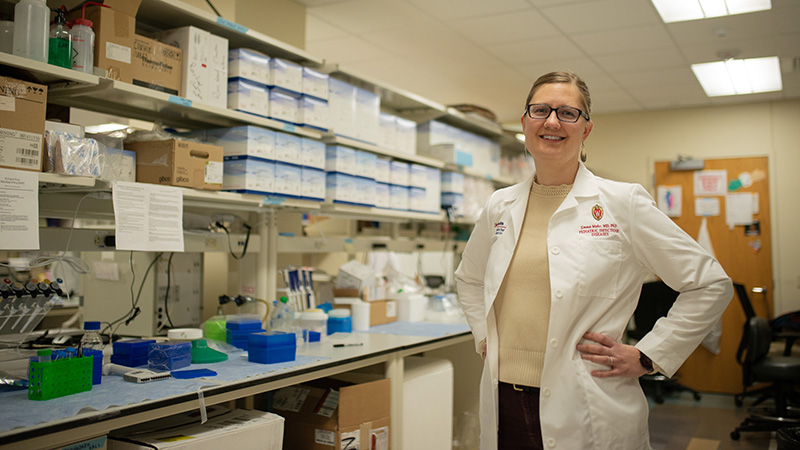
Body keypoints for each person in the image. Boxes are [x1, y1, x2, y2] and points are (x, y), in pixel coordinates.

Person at [454, 70, 733, 450]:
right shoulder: (499, 205)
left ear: (585, 130)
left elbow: (710, 283)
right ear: (525, 123)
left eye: (568, 113)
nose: (552, 121)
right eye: (541, 110)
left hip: (588, 404)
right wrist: (485, 335)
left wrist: (651, 354)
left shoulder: (623, 202)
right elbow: (468, 278)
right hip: (503, 400)